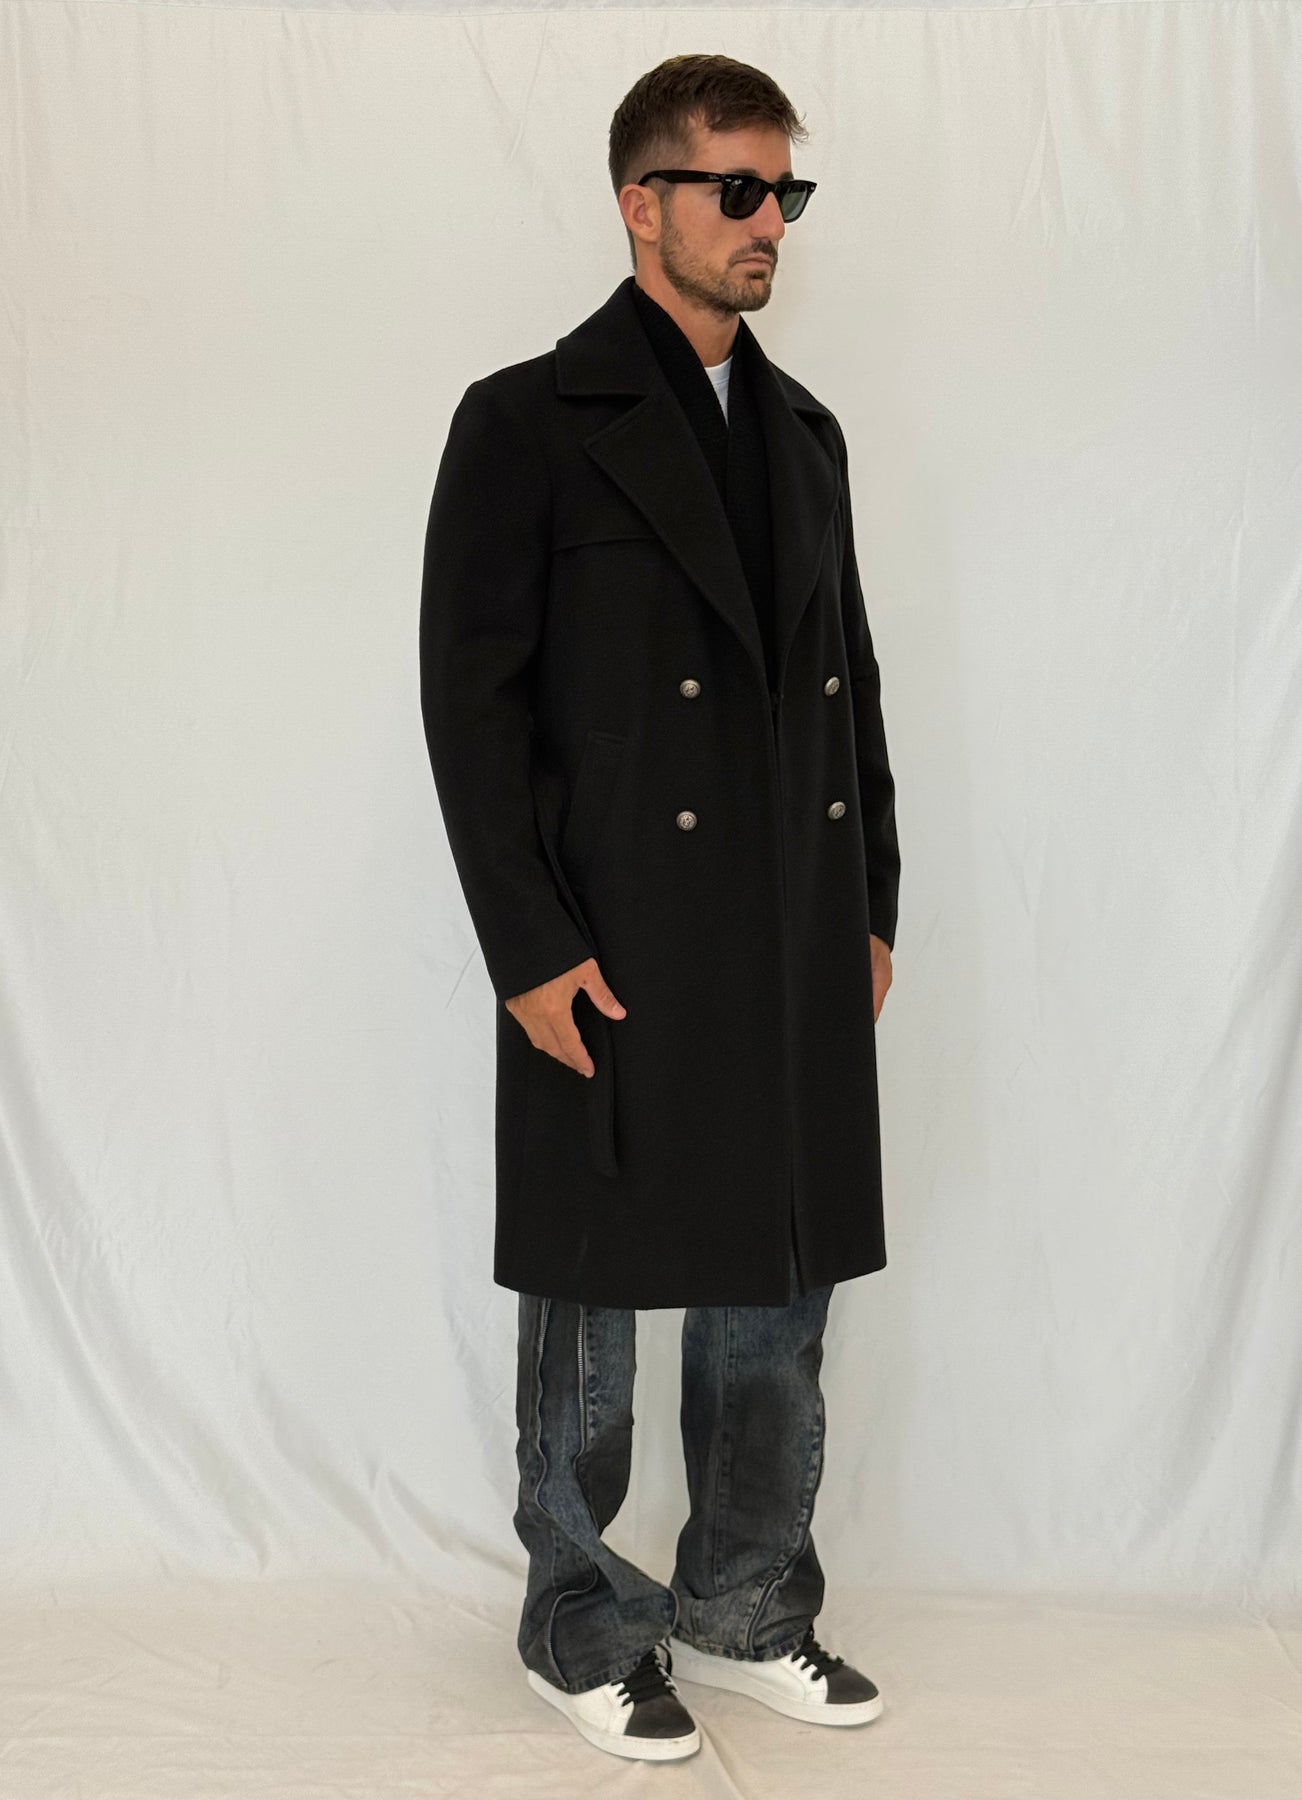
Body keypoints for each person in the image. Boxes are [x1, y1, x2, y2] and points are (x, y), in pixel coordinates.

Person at [419, 53, 900, 1761]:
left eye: (785, 192)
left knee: (777, 1279)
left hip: (789, 933)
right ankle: (580, 1618)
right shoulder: (525, 421)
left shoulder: (803, 431)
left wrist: (871, 900)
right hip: (608, 941)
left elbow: (849, 689)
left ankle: (748, 1599)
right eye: (737, 190)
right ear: (642, 204)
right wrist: (527, 947)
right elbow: (469, 707)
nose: (771, 223)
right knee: (597, 1287)